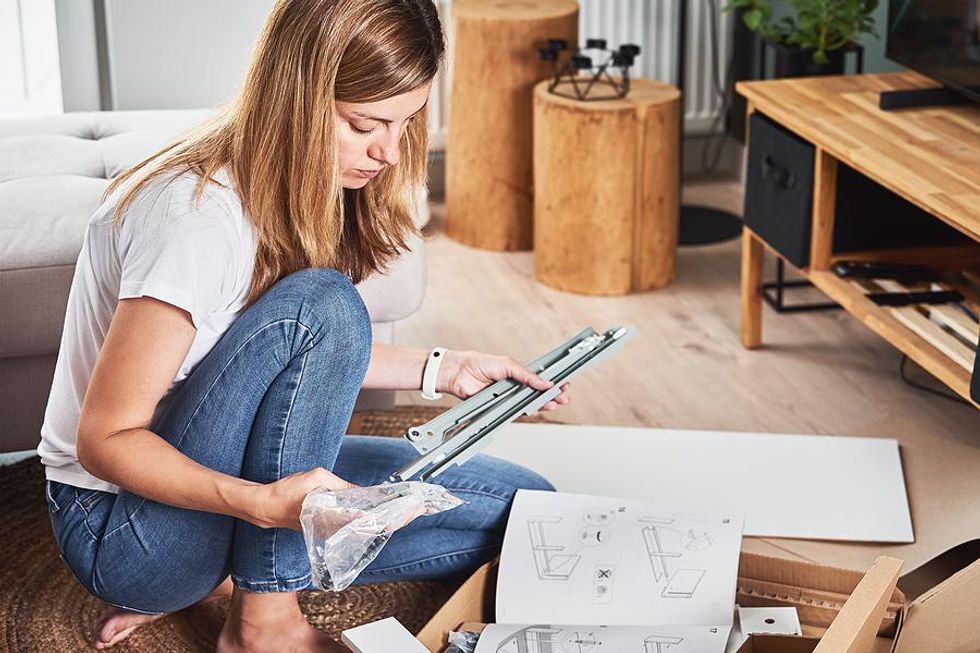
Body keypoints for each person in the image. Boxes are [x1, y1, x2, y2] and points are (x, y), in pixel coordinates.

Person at [37, 1, 569, 651]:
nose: (387, 151)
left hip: (218, 470)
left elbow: (299, 354)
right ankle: (266, 619)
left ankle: (251, 571)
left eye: (405, 124)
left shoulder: (301, 184)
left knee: (526, 504)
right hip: (125, 528)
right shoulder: (195, 217)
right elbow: (105, 438)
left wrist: (445, 368)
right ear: (298, 96)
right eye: (364, 123)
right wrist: (261, 507)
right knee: (327, 301)